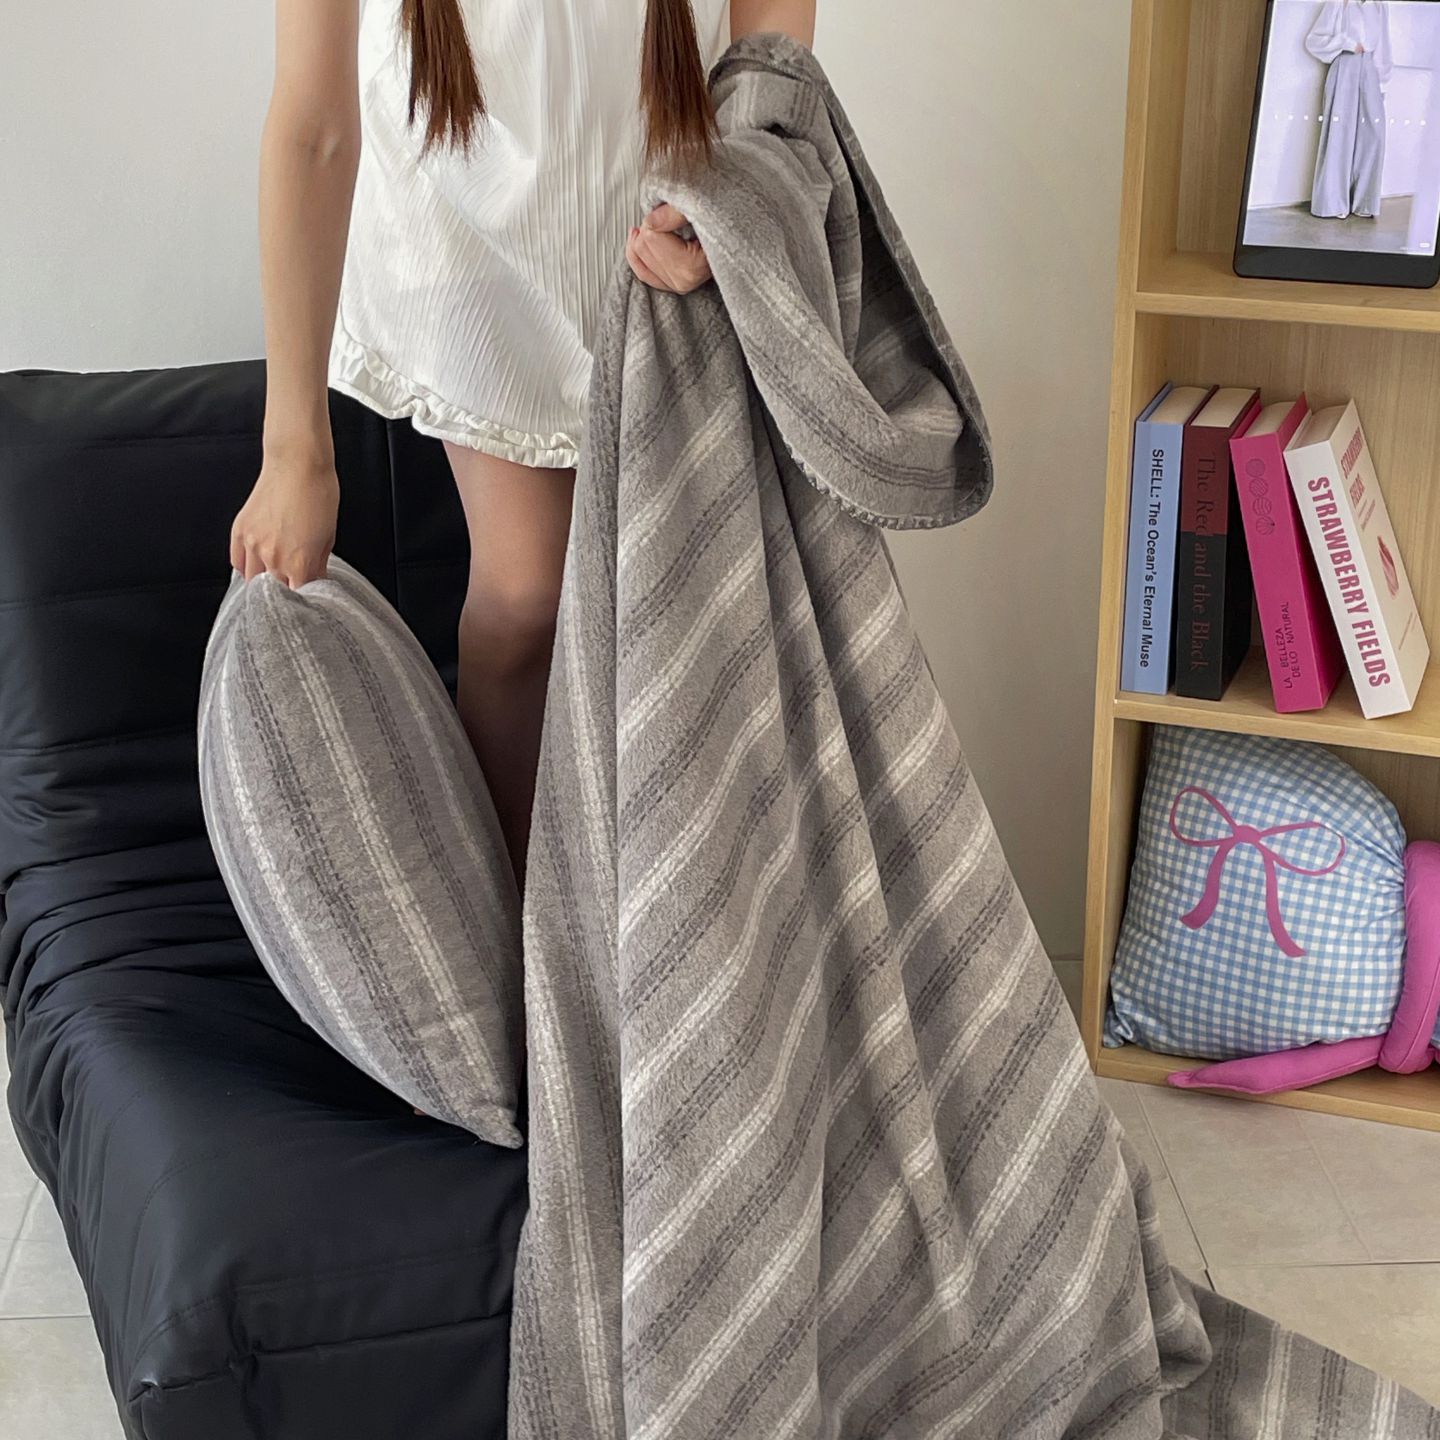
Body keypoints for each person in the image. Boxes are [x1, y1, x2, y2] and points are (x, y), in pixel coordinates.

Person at [231, 0, 817, 887]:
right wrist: (294, 452)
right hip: (463, 209)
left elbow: (772, 44)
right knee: (531, 596)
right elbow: (314, 127)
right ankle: (522, 926)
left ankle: (670, 917)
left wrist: (731, 206)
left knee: (686, 615)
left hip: (657, 200)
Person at [1306, 0, 1394, 220]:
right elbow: (1314, 40)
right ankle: (1332, 203)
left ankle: (1364, 202)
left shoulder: (1379, 6)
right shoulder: (1338, 3)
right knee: (1340, 134)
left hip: (1371, 70)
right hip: (1345, 66)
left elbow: (1383, 46)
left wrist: (1382, 83)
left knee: (1374, 135)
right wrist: (1346, 43)